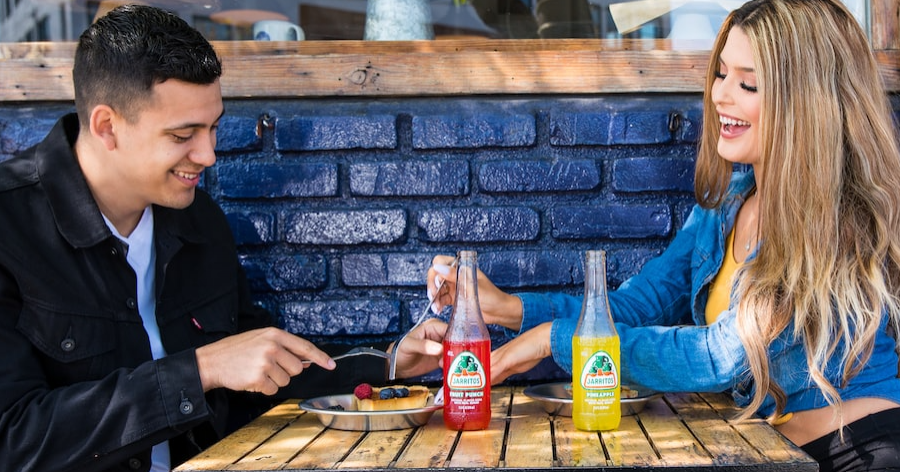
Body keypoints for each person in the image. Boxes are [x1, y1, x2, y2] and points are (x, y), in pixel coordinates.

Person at [424, 1, 900, 470]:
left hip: (862, 450)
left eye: (747, 83)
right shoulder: (724, 210)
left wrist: (557, 340)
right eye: (721, 74)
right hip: (773, 450)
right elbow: (636, 306)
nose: (720, 95)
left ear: (806, 105)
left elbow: (720, 356)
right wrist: (506, 307)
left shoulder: (833, 222)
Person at [0, 5, 438, 472]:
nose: (208, 155)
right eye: (183, 135)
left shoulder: (198, 219)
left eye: (213, 127)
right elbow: (13, 440)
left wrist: (387, 365)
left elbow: (261, 367)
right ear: (107, 126)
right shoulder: (10, 228)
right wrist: (201, 370)